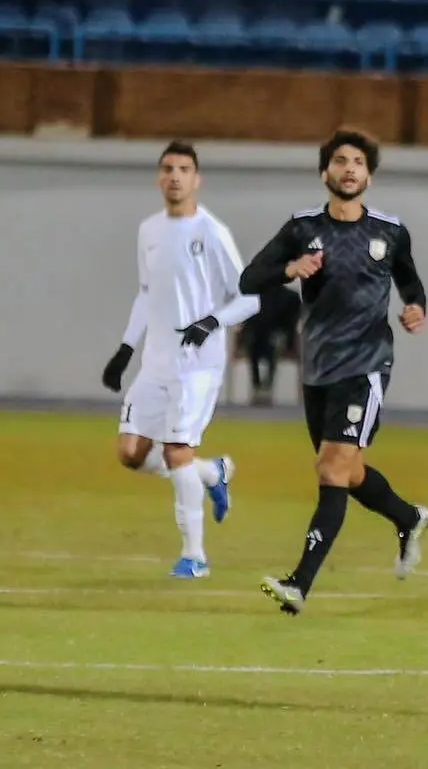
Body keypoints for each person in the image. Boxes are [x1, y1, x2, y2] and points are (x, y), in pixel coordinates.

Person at [238, 129, 428, 615]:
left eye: (359, 162)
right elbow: (249, 278)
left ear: (369, 174)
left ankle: (299, 585)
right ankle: (409, 517)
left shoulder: (390, 232)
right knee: (348, 472)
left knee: (330, 468)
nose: (350, 168)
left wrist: (415, 310)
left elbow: (411, 284)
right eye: (341, 160)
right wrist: (291, 269)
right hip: (318, 367)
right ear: (324, 171)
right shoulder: (302, 229)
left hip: (366, 366)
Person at [101, 141, 261, 578]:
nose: (175, 176)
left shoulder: (211, 232)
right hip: (156, 362)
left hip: (198, 364)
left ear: (197, 179)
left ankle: (195, 556)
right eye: (168, 168)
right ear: (159, 177)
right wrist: (125, 350)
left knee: (176, 452)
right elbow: (147, 292)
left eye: (184, 169)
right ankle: (212, 474)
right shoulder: (148, 231)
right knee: (131, 453)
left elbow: (250, 298)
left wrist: (211, 322)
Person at [243, 285, 301, 406]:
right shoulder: (255, 295)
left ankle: (265, 387)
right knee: (256, 353)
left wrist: (289, 339)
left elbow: (291, 321)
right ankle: (259, 386)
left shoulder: (289, 297)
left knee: (272, 351)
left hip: (276, 335)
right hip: (258, 334)